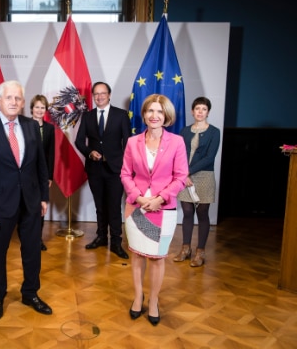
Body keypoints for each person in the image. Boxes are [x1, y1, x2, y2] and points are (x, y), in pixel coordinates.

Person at [0, 80, 52, 320]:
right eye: (9, 98)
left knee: (32, 251)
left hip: (30, 201)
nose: (14, 102)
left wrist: (44, 198)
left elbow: (41, 165)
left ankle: (30, 293)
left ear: (23, 102)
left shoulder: (31, 126)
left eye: (18, 98)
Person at [120, 94, 188, 326]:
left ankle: (154, 300)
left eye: (159, 111)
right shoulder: (132, 142)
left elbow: (181, 177)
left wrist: (160, 198)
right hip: (135, 207)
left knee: (158, 258)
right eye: (150, 111)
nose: (154, 115)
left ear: (166, 115)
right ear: (144, 114)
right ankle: (138, 296)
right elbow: (125, 174)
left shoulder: (177, 142)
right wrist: (138, 197)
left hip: (163, 209)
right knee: (137, 255)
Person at [75, 81, 131, 258]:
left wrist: (121, 163)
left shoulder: (121, 115)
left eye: (103, 93)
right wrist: (89, 152)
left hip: (115, 169)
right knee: (100, 206)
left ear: (109, 95)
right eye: (96, 94)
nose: (99, 97)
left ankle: (116, 241)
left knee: (114, 206)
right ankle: (101, 237)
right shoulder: (88, 116)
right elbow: (79, 141)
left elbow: (128, 143)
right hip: (95, 169)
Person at [174, 97, 221, 267]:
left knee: (202, 212)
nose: (200, 112)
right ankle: (185, 249)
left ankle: (200, 251)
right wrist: (183, 174)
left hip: (204, 176)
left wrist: (188, 171)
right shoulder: (184, 131)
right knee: (187, 212)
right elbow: (179, 155)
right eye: (197, 108)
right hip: (185, 176)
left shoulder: (214, 132)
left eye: (204, 109)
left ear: (208, 112)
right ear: (192, 111)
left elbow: (210, 157)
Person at [30, 94, 55, 251]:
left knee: (41, 207)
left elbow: (51, 153)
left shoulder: (49, 128)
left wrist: (49, 176)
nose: (39, 110)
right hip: (25, 174)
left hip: (42, 175)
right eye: (37, 107)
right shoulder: (23, 125)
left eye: (42, 107)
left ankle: (38, 239)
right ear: (32, 108)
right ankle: (28, 237)